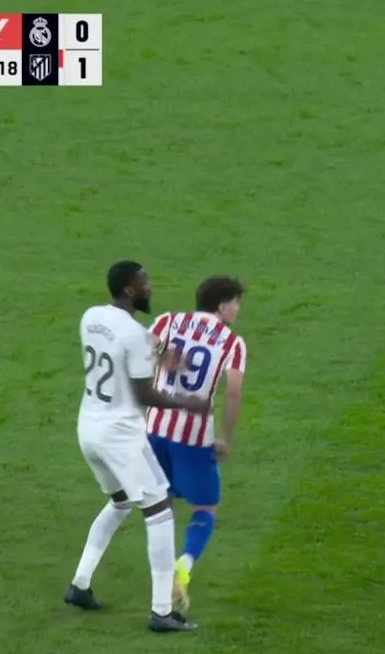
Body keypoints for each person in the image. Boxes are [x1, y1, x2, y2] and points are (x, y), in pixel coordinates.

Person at [64, 261, 208, 633]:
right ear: (129, 290)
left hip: (89, 429)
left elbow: (128, 341)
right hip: (121, 435)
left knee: (120, 501)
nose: (150, 287)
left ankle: (80, 584)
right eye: (144, 282)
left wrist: (158, 350)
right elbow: (145, 393)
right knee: (159, 509)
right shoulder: (133, 334)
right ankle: (162, 612)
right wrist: (186, 403)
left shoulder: (91, 317)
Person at [145, 276, 248, 612]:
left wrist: (163, 356)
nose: (238, 309)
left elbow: (140, 345)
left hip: (154, 428)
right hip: (193, 436)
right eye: (235, 302)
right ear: (221, 305)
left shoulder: (169, 320)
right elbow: (234, 392)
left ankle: (161, 579)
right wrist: (226, 437)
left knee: (162, 504)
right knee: (206, 506)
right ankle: (184, 564)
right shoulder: (232, 343)